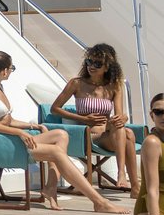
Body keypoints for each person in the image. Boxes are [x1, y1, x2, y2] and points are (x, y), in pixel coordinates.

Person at [0, 51, 127, 213]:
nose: (11, 72)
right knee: (56, 152)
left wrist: (34, 127)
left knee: (61, 134)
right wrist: (20, 133)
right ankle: (99, 201)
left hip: (9, 136)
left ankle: (50, 188)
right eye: (11, 68)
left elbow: (8, 120)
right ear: (4, 71)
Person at [50, 43, 139, 193]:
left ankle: (125, 177)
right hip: (87, 136)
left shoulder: (114, 86)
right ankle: (130, 182)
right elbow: (55, 109)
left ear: (107, 67)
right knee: (128, 135)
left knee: (125, 130)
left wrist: (123, 118)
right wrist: (83, 119)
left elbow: (118, 114)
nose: (91, 66)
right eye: (89, 62)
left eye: (97, 63)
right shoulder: (76, 83)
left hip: (107, 136)